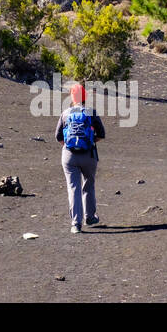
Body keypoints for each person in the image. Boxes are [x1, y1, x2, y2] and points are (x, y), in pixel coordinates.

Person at [55, 82, 105, 233]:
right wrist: (89, 142)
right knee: (88, 184)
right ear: (85, 97)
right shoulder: (91, 112)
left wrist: (68, 146)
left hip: (69, 156)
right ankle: (90, 216)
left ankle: (76, 224)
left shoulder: (65, 113)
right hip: (88, 155)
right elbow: (102, 134)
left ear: (72, 97)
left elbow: (58, 137)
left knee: (73, 188)